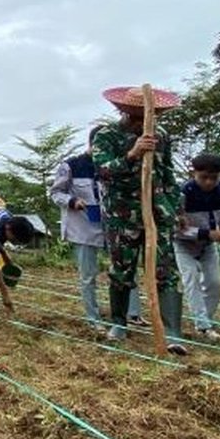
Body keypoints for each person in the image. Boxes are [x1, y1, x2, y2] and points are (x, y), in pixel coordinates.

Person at [91, 86, 188, 354]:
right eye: (135, 117)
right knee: (122, 269)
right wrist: (132, 155)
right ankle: (119, 323)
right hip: (122, 215)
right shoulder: (106, 136)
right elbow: (102, 171)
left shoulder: (162, 137)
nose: (141, 123)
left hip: (158, 213)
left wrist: (174, 207)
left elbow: (168, 174)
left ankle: (172, 333)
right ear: (124, 113)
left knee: (166, 271)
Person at [51, 128, 149, 330]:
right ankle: (93, 318)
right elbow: (55, 193)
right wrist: (72, 201)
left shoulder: (119, 164)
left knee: (126, 269)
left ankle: (132, 314)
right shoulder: (72, 165)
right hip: (83, 227)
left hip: (114, 224)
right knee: (88, 274)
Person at [174, 153, 220, 342]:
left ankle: (206, 322)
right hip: (183, 243)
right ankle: (203, 326)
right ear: (193, 173)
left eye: (214, 178)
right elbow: (176, 229)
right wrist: (208, 233)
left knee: (214, 283)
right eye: (204, 177)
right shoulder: (182, 193)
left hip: (209, 244)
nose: (209, 182)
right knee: (191, 279)